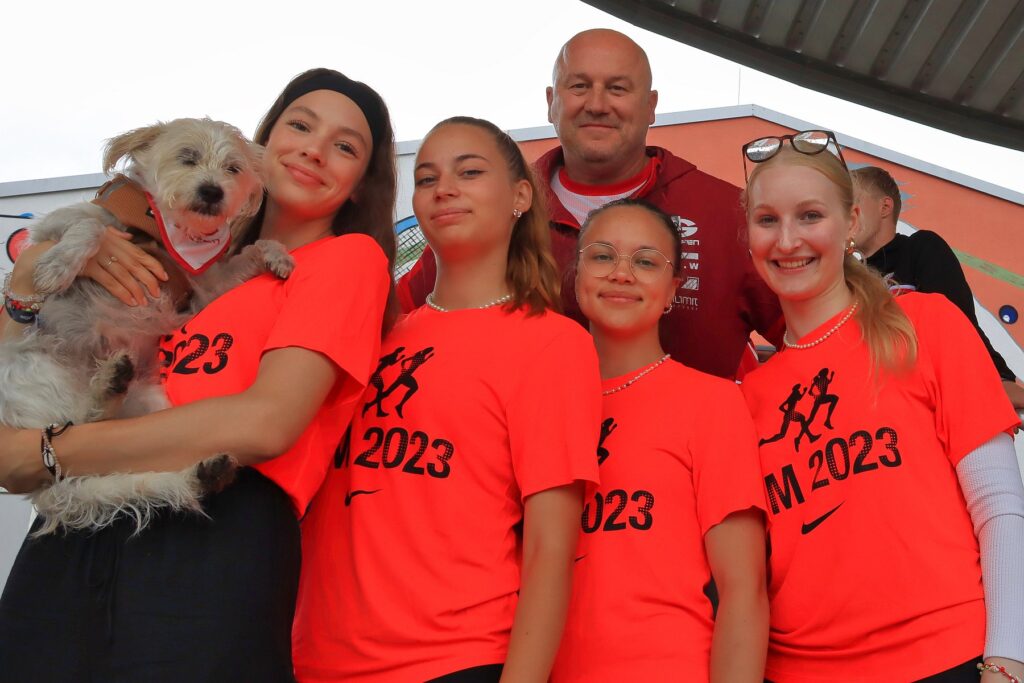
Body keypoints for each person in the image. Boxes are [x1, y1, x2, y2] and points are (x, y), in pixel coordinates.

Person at [0, 68, 398, 682]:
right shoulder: (190, 264)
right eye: (299, 125)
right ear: (259, 150)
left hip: (213, 532)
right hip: (64, 534)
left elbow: (265, 423)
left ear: (357, 186)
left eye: (345, 146)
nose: (315, 149)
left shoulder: (345, 260)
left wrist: (52, 451)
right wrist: (23, 288)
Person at [293, 116, 601, 683]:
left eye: (469, 172)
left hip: (453, 659)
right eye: (427, 177)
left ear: (520, 196)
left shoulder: (551, 342)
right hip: (315, 662)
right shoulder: (374, 333)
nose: (444, 189)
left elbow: (551, 551)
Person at [739, 131, 1024, 682]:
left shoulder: (928, 325)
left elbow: (999, 504)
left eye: (810, 215)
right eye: (767, 219)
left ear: (850, 224)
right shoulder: (748, 395)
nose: (788, 239)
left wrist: (1007, 661)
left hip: (947, 660)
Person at [398, 28, 781, 380]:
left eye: (617, 89)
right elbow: (397, 319)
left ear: (650, 106)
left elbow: (819, 338)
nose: (597, 105)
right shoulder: (495, 208)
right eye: (579, 86)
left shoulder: (725, 212)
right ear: (551, 103)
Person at [549, 199, 768, 682]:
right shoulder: (539, 403)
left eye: (646, 261)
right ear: (576, 272)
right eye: (603, 256)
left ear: (672, 291)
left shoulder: (710, 403)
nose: (621, 274)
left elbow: (743, 591)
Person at [852, 165, 1024, 409]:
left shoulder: (920, 247)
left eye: (853, 200)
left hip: (947, 392)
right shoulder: (841, 270)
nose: (847, 212)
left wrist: (997, 380)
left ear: (885, 207)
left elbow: (956, 323)